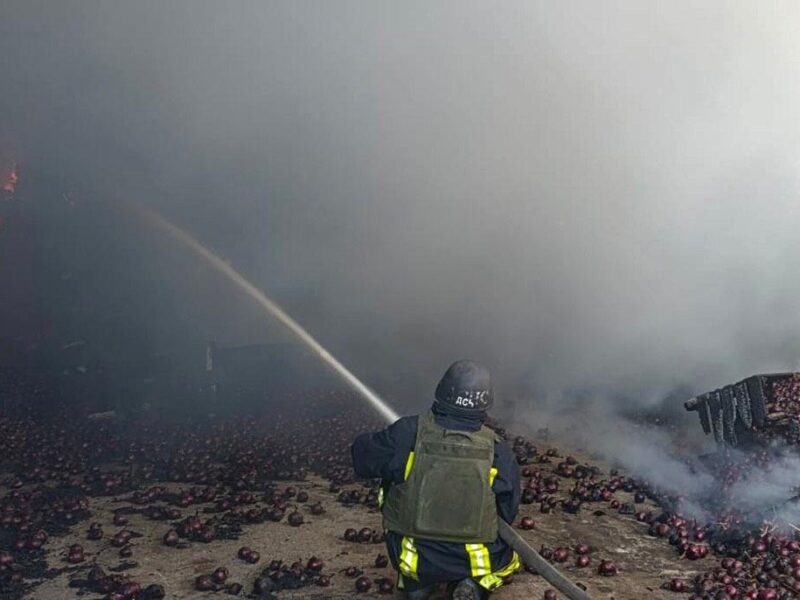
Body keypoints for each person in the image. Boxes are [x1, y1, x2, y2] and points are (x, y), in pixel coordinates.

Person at [351, 360, 521, 600]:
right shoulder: (499, 451)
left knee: (397, 501)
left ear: (441, 393)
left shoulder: (406, 433)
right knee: (509, 560)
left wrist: (388, 443)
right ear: (485, 404)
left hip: (415, 555)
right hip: (473, 557)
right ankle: (474, 584)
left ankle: (416, 585)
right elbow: (507, 511)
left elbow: (361, 458)